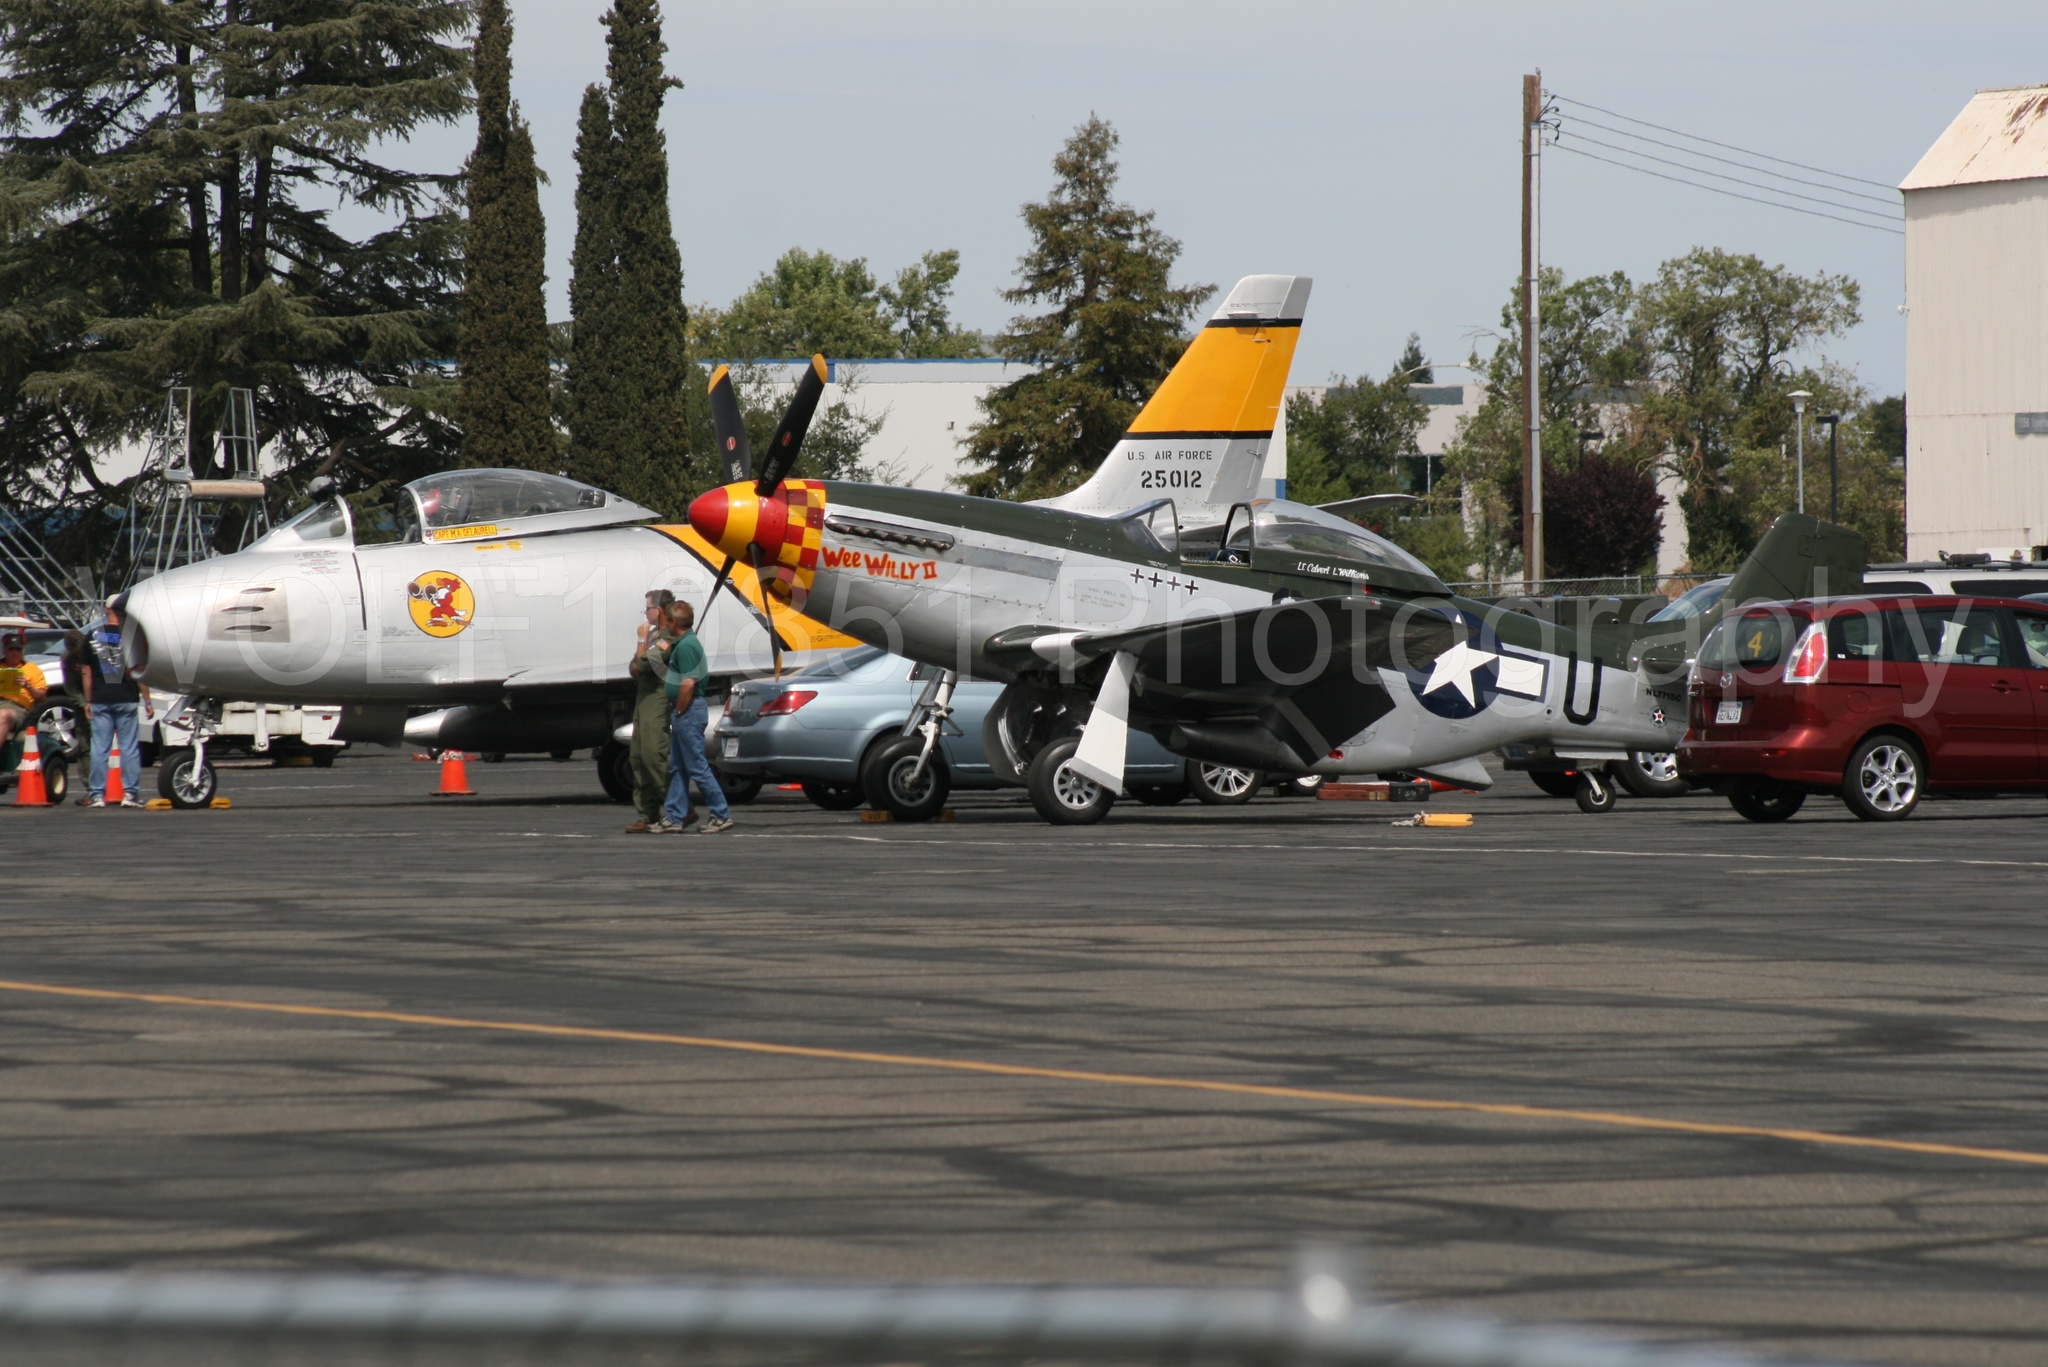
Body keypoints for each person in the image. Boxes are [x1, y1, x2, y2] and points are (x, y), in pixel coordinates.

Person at [654, 599, 732, 834]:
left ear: (675, 621)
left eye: (667, 621)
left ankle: (721, 813)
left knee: (697, 766)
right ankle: (675, 817)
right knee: (678, 767)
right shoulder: (686, 643)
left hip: (688, 710)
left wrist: (679, 709)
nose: (665, 625)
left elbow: (688, 683)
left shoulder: (687, 646)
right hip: (687, 710)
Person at [81, 595, 150, 808]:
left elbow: (86, 671)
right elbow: (139, 670)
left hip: (101, 698)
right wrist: (147, 700)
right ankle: (130, 795)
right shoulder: (131, 637)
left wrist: (89, 699)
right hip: (126, 697)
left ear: (105, 609)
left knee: (99, 748)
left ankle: (97, 795)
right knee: (128, 748)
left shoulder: (93, 635)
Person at [624, 588, 678, 833]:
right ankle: (648, 813)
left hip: (657, 698)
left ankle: (679, 807)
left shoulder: (669, 637)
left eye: (648, 608)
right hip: (643, 698)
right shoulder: (654, 634)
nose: (645, 613)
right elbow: (633, 667)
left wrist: (640, 641)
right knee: (637, 757)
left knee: (653, 755)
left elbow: (642, 665)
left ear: (661, 610)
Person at [0, 630, 47, 764]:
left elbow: (42, 696)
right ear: (5, 650)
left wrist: (28, 686)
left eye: (18, 649)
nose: (14, 652)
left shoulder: (32, 669)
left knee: (3, 714)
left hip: (17, 708)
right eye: (11, 649)